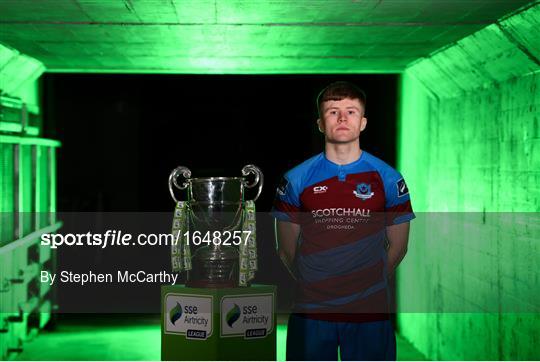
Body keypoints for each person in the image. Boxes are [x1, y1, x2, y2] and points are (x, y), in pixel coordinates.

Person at [272, 81, 414, 361]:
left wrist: (363, 284)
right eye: (332, 111)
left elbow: (398, 247)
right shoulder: (295, 179)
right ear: (320, 123)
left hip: (369, 311)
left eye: (350, 112)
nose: (342, 118)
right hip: (311, 311)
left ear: (363, 122)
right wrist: (317, 285)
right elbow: (286, 250)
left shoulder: (388, 178)